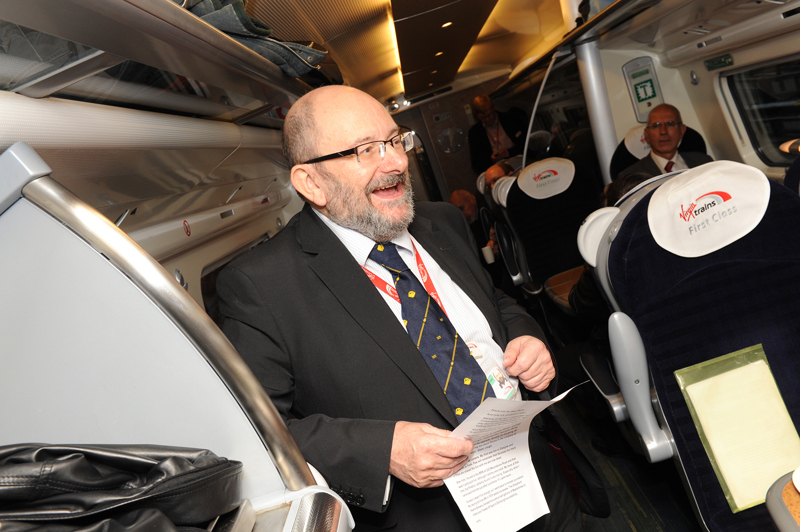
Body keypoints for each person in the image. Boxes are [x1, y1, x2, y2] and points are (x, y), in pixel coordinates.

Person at [217, 85, 582, 532]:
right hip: (429, 518)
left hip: (534, 476)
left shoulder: (442, 221)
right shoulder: (261, 284)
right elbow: (261, 432)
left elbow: (496, 302)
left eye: (394, 140)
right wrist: (381, 450)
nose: (395, 162)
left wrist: (526, 336)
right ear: (311, 182)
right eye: (365, 150)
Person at [618, 103, 713, 179]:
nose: (663, 131)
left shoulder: (704, 162)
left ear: (682, 130)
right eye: (656, 126)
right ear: (647, 135)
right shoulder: (630, 177)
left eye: (670, 124)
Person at [469, 95, 528, 175]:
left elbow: (527, 144)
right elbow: (476, 164)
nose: (487, 119)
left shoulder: (511, 119)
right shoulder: (475, 133)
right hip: (497, 174)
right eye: (483, 117)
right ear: (476, 115)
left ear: (493, 108)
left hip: (521, 166)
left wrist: (509, 152)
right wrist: (491, 160)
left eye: (489, 115)